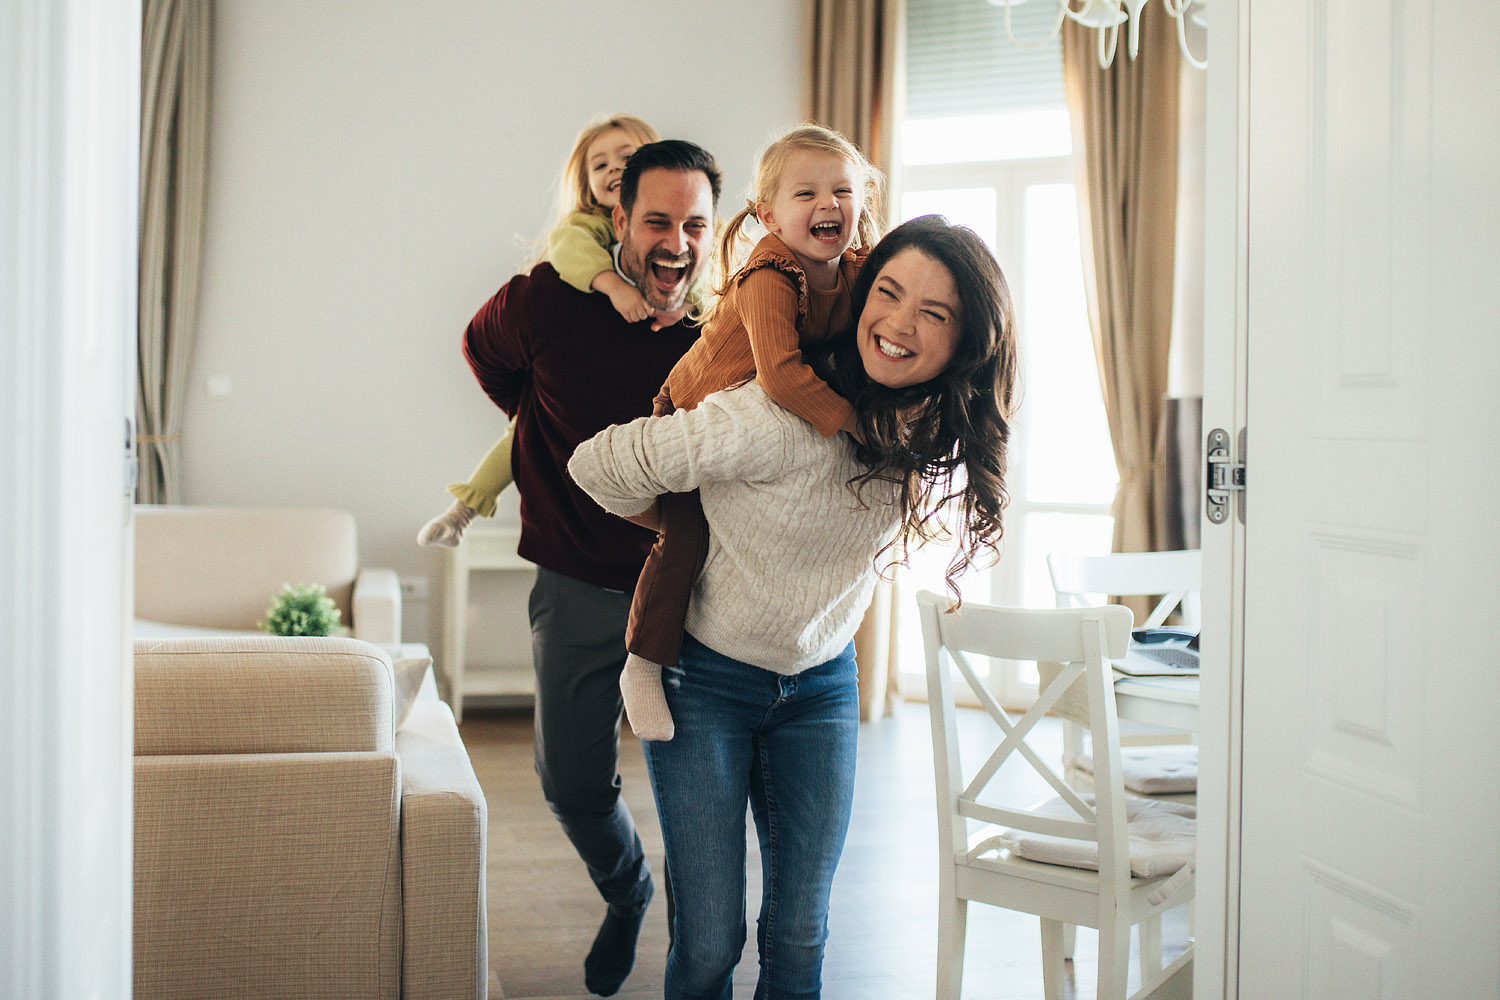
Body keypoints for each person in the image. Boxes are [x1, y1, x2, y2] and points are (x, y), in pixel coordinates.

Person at [569, 215, 1018, 999]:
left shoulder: (926, 429)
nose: (901, 325)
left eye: (935, 314)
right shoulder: (770, 416)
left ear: (966, 343)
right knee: (710, 945)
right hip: (706, 681)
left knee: (800, 936)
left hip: (821, 687)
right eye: (889, 293)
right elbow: (596, 464)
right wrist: (686, 519)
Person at [461, 139, 722, 997]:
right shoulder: (545, 299)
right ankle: (626, 889)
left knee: (699, 799)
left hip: (692, 594)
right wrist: (537, 419)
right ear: (617, 218)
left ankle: (702, 952)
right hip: (573, 580)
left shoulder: (720, 328)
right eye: (656, 220)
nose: (675, 242)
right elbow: (481, 348)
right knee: (570, 783)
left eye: (693, 224)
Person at [619, 123, 885, 742]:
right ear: (768, 214)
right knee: (684, 538)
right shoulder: (769, 274)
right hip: (689, 412)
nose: (828, 205)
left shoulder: (853, 270)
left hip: (749, 429)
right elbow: (786, 378)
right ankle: (642, 660)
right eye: (806, 194)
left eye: (843, 191)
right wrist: (855, 427)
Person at [418, 114, 708, 548]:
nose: (612, 169)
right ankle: (463, 510)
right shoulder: (579, 232)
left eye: (625, 158)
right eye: (599, 164)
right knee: (522, 430)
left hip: (659, 527)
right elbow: (566, 256)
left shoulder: (686, 239)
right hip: (570, 541)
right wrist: (613, 289)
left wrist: (686, 306)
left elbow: (706, 279)